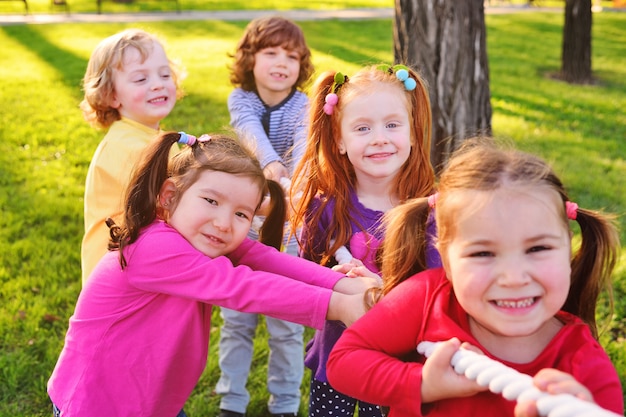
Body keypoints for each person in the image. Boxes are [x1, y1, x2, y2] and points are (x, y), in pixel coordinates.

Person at [47, 131, 376, 417]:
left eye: (240, 213)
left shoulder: (198, 237)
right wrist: (339, 307)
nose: (223, 222)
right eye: (210, 200)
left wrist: (343, 286)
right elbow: (242, 286)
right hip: (99, 403)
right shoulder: (154, 247)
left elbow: (265, 259)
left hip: (152, 400)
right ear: (169, 196)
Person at [326, 139, 624, 417]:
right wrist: (423, 384)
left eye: (538, 248)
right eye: (483, 254)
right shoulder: (428, 298)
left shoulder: (586, 373)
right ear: (446, 256)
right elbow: (344, 361)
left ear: (566, 247)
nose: (513, 278)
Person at [290, 64, 439, 417]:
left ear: (414, 132)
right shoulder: (325, 209)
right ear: (340, 140)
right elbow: (307, 276)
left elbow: (436, 292)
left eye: (392, 124)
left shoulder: (429, 213)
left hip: (395, 365)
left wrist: (380, 287)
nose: (379, 138)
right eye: (362, 128)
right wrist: (333, 275)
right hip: (336, 360)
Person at [214, 16, 315, 417]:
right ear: (250, 58)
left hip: (289, 225)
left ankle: (285, 406)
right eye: (270, 52)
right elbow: (248, 129)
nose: (281, 63)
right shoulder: (241, 98)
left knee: (286, 326)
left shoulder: (304, 105)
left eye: (291, 56)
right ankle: (232, 402)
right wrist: (271, 167)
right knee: (236, 319)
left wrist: (295, 175)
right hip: (242, 224)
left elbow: (307, 145)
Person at [80, 28, 184, 283]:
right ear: (111, 95)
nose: (158, 83)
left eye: (164, 74)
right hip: (118, 277)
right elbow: (177, 205)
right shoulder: (128, 146)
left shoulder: (152, 137)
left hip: (140, 264)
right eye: (141, 79)